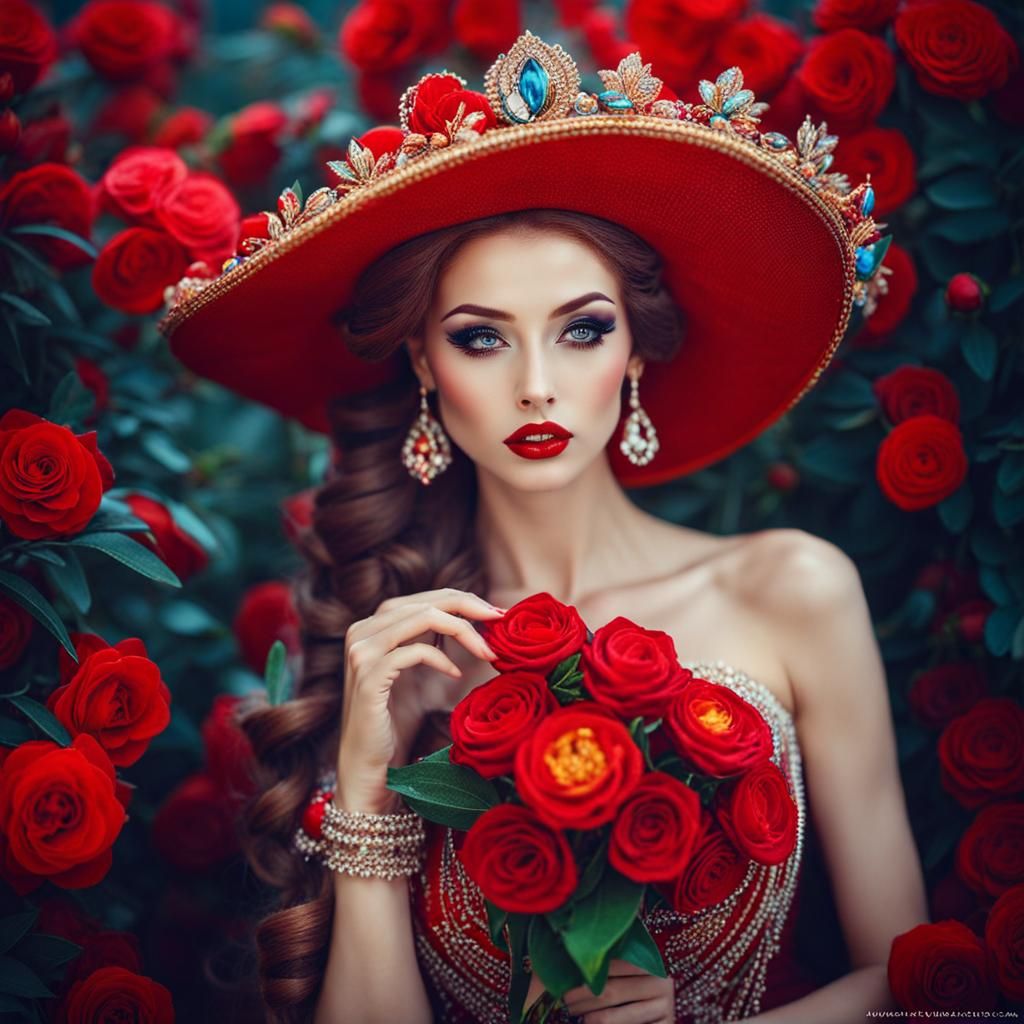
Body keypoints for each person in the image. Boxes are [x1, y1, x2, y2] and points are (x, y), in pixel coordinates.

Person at [159, 30, 929, 1024]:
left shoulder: (791, 587)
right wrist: (363, 783)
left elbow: (914, 981)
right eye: (480, 338)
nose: (535, 386)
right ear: (425, 367)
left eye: (582, 329)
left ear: (637, 354)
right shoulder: (401, 661)